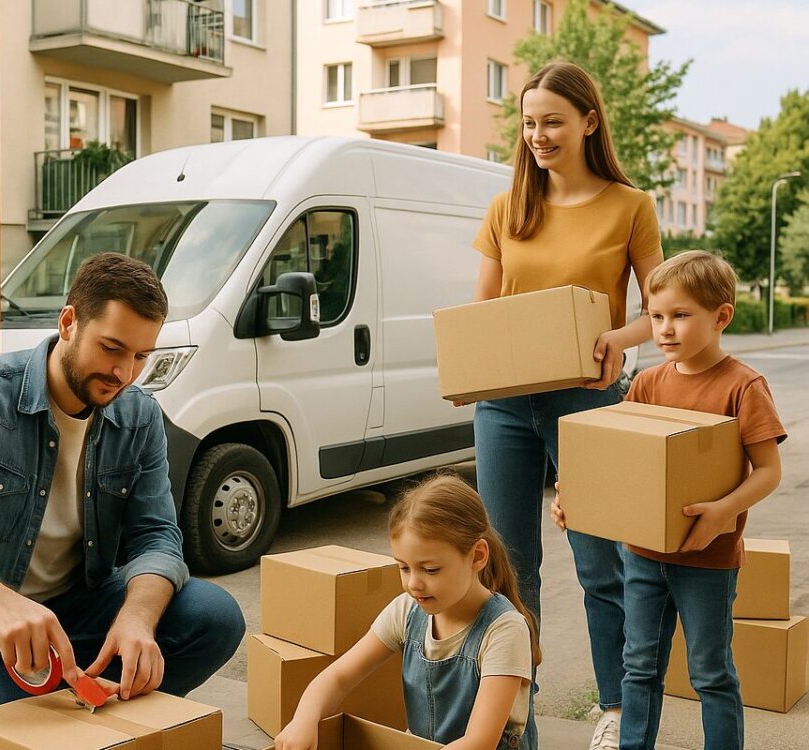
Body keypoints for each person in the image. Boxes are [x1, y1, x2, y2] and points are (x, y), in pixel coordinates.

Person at [0, 253, 245, 750]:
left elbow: (157, 535)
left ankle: (101, 723)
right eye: (112, 348)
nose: (125, 373)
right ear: (68, 322)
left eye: (142, 356)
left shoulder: (140, 418)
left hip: (78, 610)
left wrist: (138, 616)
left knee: (215, 616)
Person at [467, 60, 664, 749]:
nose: (538, 136)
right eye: (527, 124)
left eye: (551, 121)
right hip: (502, 406)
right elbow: (482, 312)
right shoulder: (507, 208)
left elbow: (658, 310)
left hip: (586, 401)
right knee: (506, 564)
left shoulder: (629, 206)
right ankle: (515, 711)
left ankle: (614, 710)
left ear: (588, 120)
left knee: (598, 561)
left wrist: (619, 337)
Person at [553, 251, 786, 749]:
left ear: (721, 316)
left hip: (709, 559)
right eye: (656, 316)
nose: (665, 329)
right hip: (640, 556)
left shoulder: (743, 387)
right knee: (637, 667)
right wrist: (573, 498)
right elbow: (615, 460)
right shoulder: (646, 384)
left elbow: (768, 472)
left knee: (710, 672)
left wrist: (725, 509)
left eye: (681, 315)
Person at [274, 473, 539, 750]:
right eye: (404, 567)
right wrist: (304, 720)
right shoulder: (407, 611)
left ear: (477, 556)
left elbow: (479, 742)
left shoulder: (504, 630)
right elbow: (338, 677)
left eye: (431, 569)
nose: (414, 583)